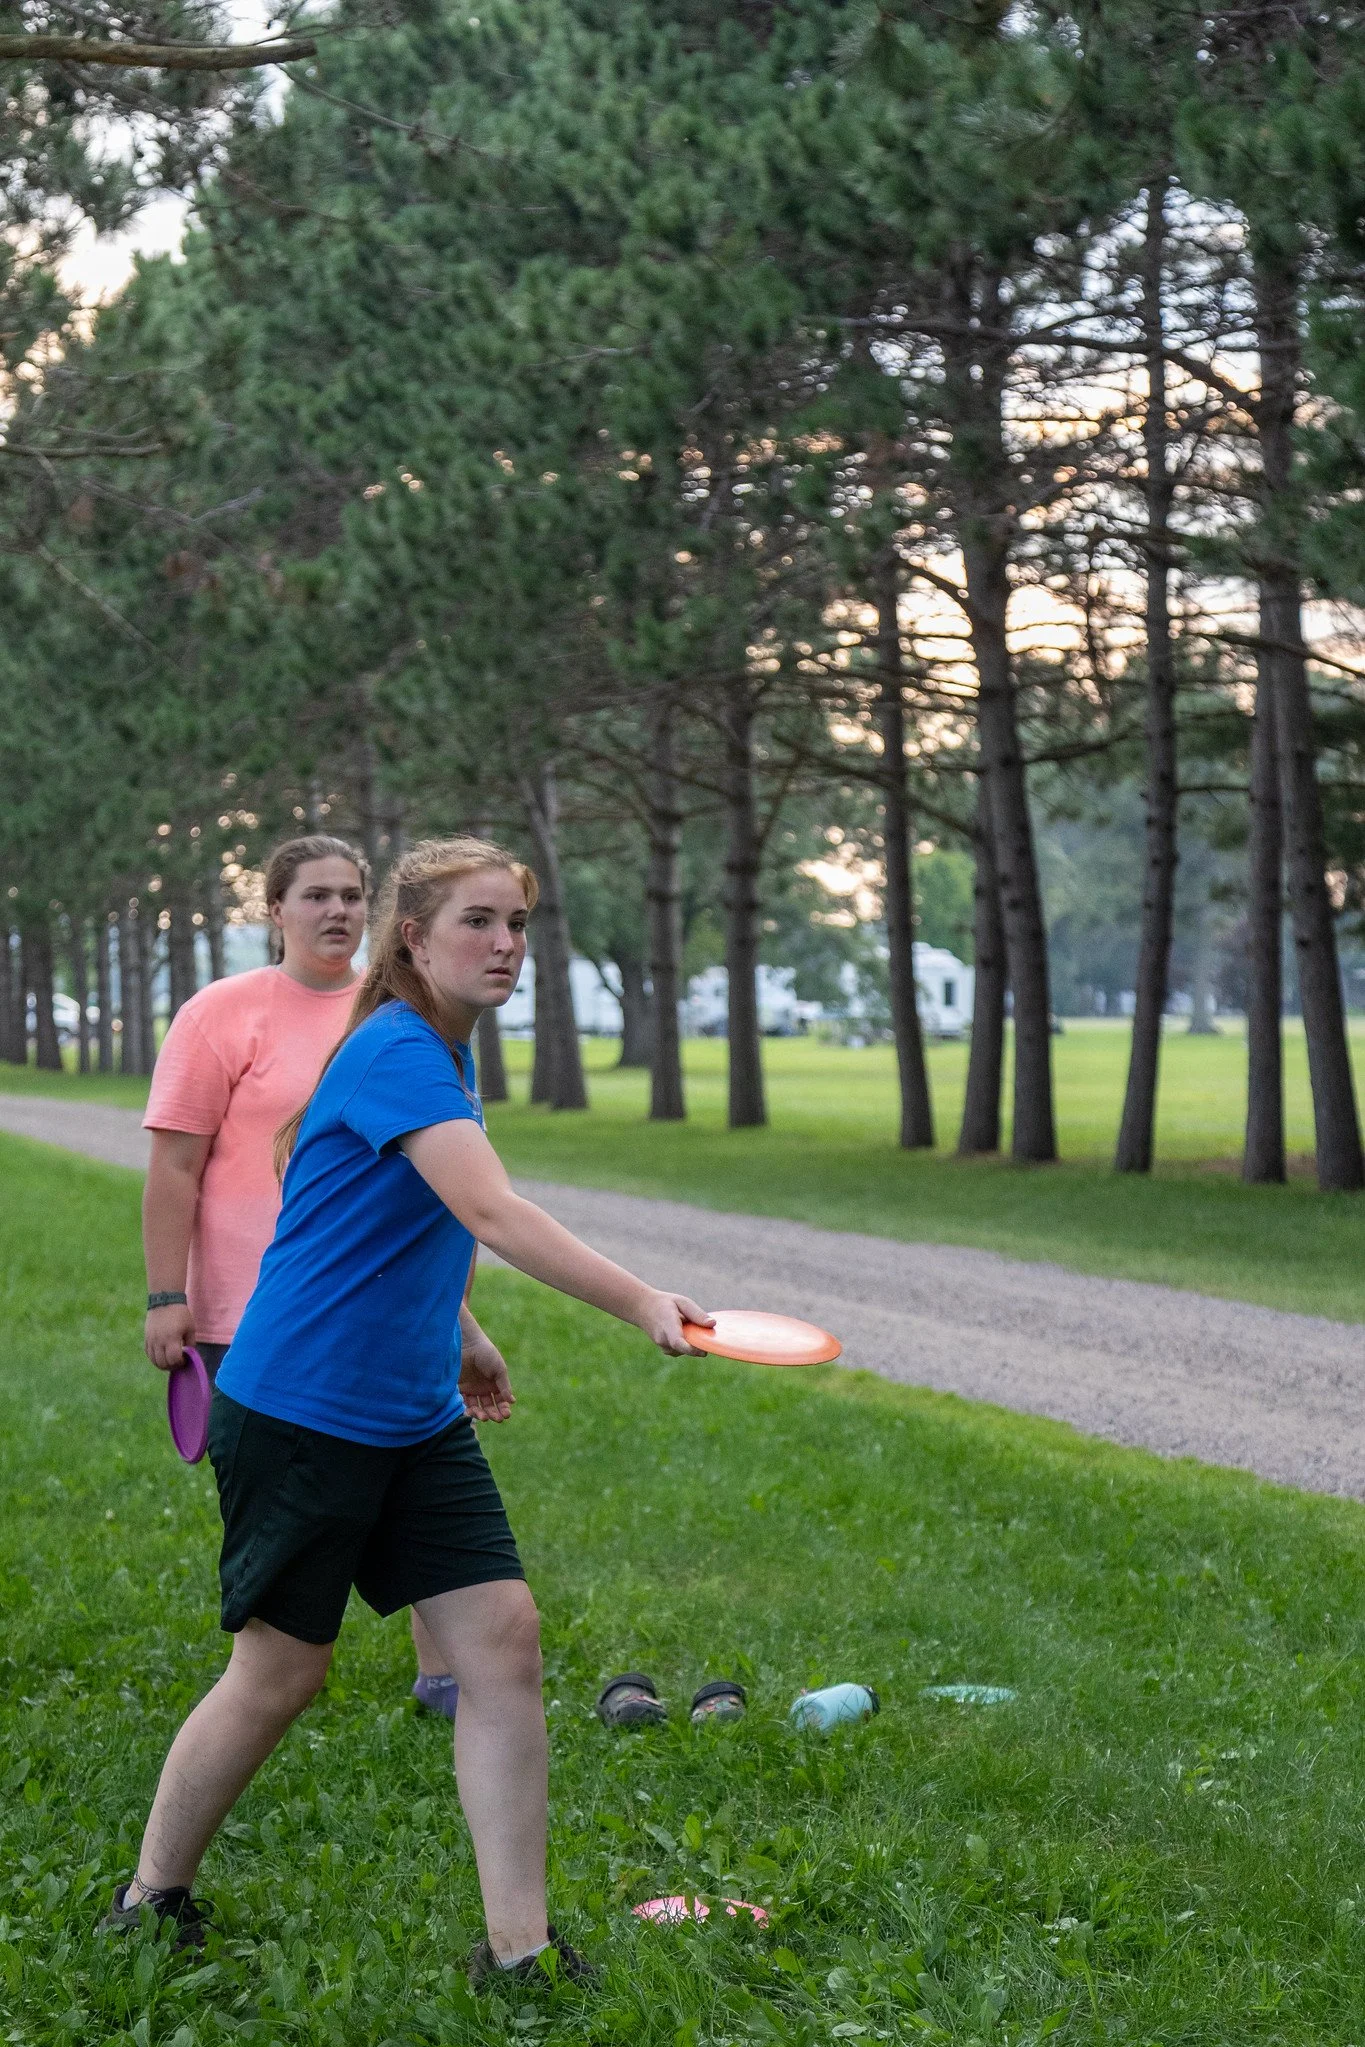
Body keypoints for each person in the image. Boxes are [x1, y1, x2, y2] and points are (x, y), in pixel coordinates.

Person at [105, 835, 711, 1985]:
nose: (506, 943)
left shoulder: (438, 1049)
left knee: (502, 1641)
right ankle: (150, 1896)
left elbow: (401, 1214)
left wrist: (464, 1331)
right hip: (302, 1411)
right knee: (280, 1673)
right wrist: (641, 1300)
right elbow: (492, 1210)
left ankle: (519, 1950)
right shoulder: (398, 1049)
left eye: (517, 922)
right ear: (416, 939)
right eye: (478, 921)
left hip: (412, 1412)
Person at [141, 832, 459, 1716]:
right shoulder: (220, 1013)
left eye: (352, 894)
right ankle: (266, 1673)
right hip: (252, 1314)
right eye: (316, 895)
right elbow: (174, 1166)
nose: (338, 911)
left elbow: (443, 1174)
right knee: (288, 1511)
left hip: (382, 1304)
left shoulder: (399, 1012)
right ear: (275, 908)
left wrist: (457, 1315)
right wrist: (168, 1295)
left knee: (420, 1474)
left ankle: (446, 1672)